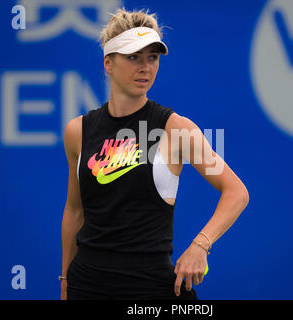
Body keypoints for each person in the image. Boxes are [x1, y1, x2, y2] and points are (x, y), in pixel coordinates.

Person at [60, 7, 249, 300]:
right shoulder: (78, 131)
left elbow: (236, 191)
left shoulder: (178, 128)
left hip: (150, 287)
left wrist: (201, 245)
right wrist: (65, 279)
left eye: (152, 57)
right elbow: (75, 210)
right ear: (108, 64)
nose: (145, 67)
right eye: (133, 57)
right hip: (87, 285)